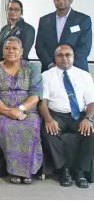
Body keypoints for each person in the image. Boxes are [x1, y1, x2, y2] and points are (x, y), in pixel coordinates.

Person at [0, 36, 43, 185]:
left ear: (21, 51)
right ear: (3, 51)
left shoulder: (32, 68)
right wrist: (9, 112)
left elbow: (36, 95)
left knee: (31, 127)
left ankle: (28, 170)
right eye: (7, 48)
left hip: (28, 111)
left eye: (14, 48)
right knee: (8, 127)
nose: (11, 51)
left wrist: (20, 109)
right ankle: (14, 171)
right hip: (1, 112)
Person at [39, 45, 94, 189]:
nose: (64, 58)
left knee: (91, 132)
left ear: (73, 57)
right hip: (56, 114)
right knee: (49, 132)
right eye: (60, 55)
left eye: (68, 55)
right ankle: (63, 170)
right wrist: (49, 119)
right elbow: (42, 102)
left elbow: (91, 102)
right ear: (55, 58)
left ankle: (80, 171)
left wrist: (88, 119)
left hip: (79, 115)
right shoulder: (46, 75)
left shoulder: (84, 75)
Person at [35, 0, 92, 72]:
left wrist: (66, 64)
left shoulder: (83, 20)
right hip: (50, 69)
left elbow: (85, 47)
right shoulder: (45, 20)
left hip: (76, 69)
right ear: (54, 2)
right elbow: (40, 46)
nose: (61, 1)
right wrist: (50, 64)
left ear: (71, 1)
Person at [0, 0, 35, 64]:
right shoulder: (4, 29)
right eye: (10, 9)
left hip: (18, 68)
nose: (13, 12)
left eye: (16, 9)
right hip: (1, 67)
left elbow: (23, 52)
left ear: (21, 12)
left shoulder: (28, 29)